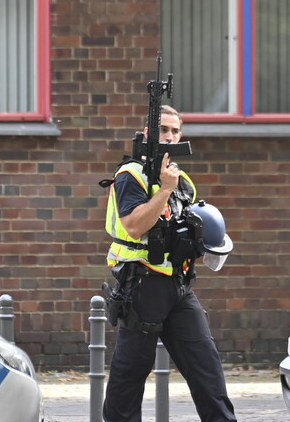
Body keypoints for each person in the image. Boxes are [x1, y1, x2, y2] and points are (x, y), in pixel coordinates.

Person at [102, 105, 236, 422]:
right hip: (141, 284)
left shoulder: (182, 180)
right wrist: (164, 189)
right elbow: (134, 225)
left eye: (175, 131)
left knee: (206, 367)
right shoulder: (130, 175)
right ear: (149, 133)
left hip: (179, 285)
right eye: (163, 129)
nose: (170, 136)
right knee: (131, 373)